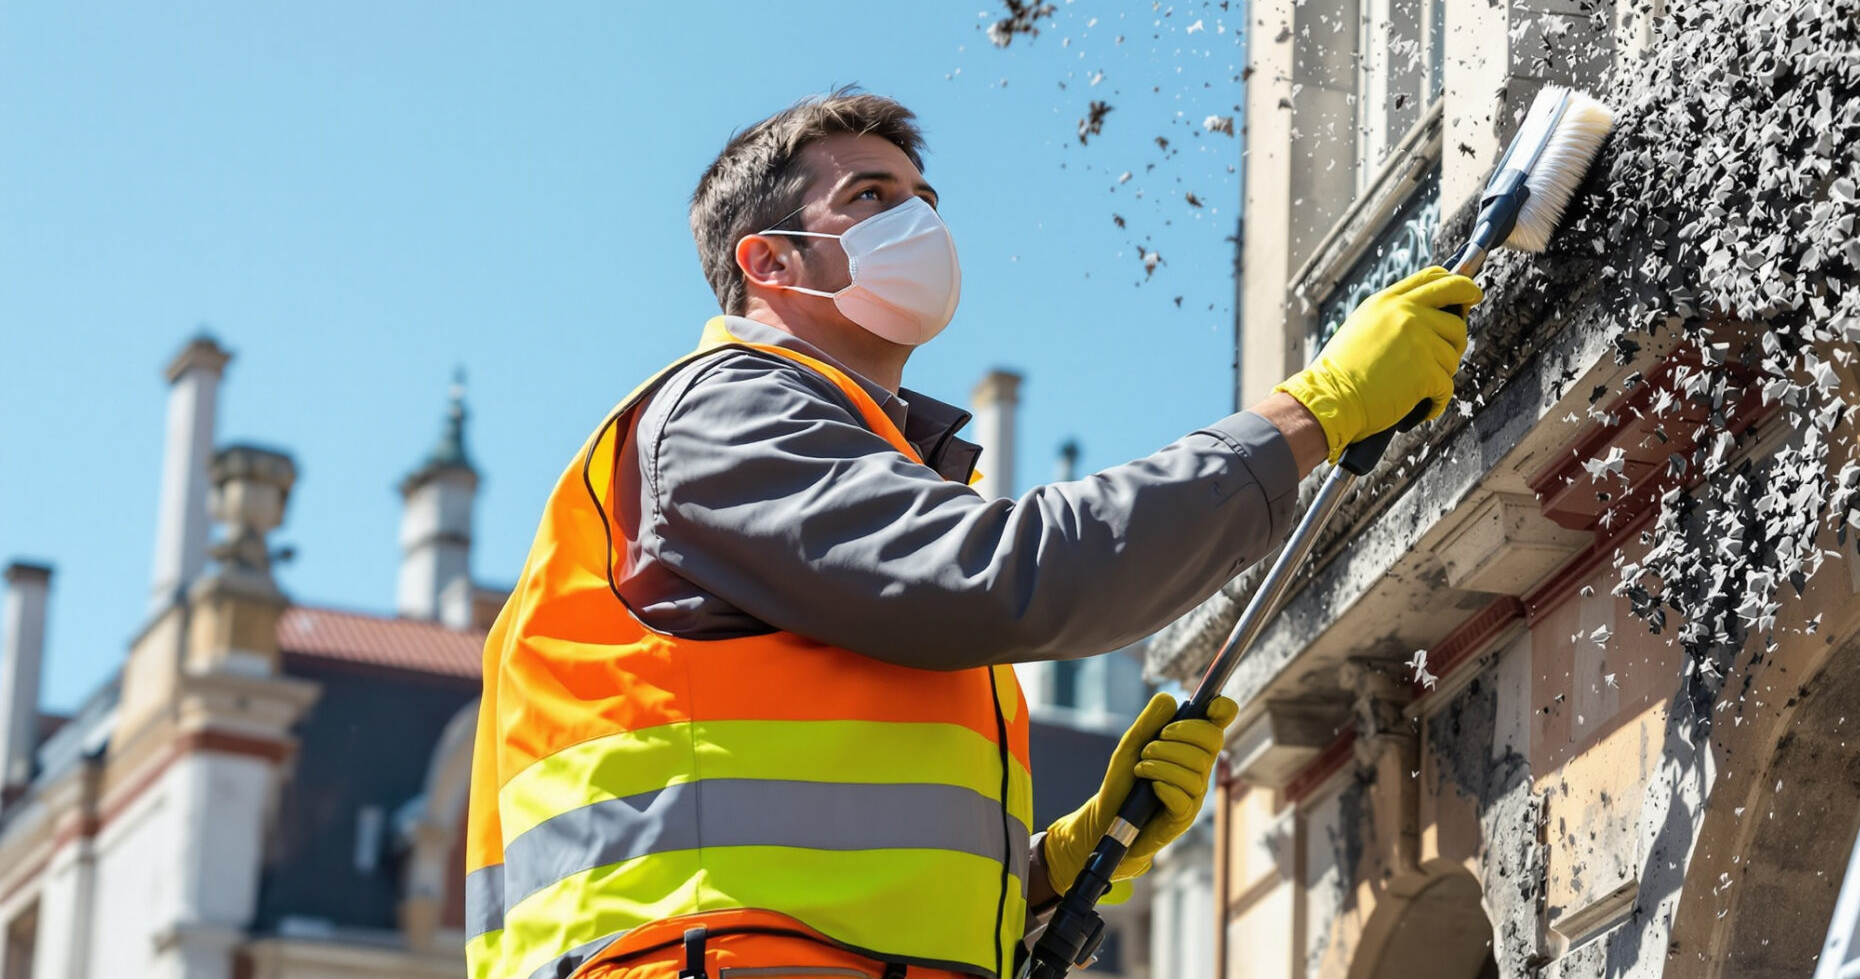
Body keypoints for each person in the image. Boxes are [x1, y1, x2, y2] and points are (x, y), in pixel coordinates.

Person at [465, 89, 1481, 979]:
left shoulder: (847, 452)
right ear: (768, 259)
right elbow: (1004, 576)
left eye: (924, 199)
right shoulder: (726, 410)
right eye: (870, 196)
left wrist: (1050, 862)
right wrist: (1313, 414)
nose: (917, 220)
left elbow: (828, 837)